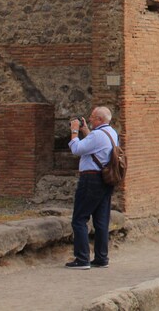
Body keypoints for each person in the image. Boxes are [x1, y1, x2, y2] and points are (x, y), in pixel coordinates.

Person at [66, 106, 118, 269]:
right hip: (105, 180)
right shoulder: (111, 133)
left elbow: (77, 149)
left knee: (79, 219)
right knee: (101, 220)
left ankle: (82, 259)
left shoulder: (97, 135)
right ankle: (102, 258)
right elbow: (93, 146)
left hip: (91, 179)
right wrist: (86, 130)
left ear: (100, 120)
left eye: (93, 117)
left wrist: (75, 132)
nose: (89, 119)